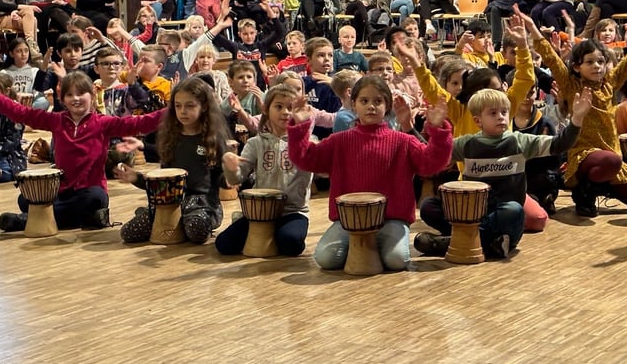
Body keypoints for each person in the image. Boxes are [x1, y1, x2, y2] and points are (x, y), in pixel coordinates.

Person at [520, 8, 627, 217]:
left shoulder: (610, 83)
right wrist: (532, 27)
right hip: (584, 156)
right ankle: (584, 190)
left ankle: (603, 185)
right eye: (590, 62)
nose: (596, 66)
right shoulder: (570, 85)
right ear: (576, 67)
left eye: (600, 62)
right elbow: (550, 57)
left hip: (612, 158)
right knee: (611, 161)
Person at [0, 71, 165, 232]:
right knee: (24, 199)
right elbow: (22, 113)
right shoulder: (56, 120)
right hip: (61, 191)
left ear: (92, 95)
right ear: (62, 99)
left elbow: (140, 123)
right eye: (70, 95)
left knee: (95, 198)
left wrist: (171, 110)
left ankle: (28, 221)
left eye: (81, 94)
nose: (75, 99)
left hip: (89, 191)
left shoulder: (103, 123)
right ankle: (72, 218)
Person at [288, 76, 452, 271]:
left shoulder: (403, 141)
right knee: (326, 259)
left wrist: (438, 130)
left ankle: (371, 249)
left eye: (378, 101)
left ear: (387, 106)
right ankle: (363, 249)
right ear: (354, 104)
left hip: (392, 219)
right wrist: (299, 127)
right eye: (364, 101)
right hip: (347, 220)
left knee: (397, 261)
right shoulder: (339, 141)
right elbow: (305, 158)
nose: (371, 106)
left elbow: (431, 164)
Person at [414, 85, 592, 259]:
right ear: (478, 121)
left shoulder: (519, 142)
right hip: (472, 213)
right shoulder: (467, 144)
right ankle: (488, 243)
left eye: (504, 112)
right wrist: (425, 128)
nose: (500, 117)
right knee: (429, 206)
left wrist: (577, 119)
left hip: (503, 216)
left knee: (514, 210)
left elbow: (559, 144)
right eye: (493, 113)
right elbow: (430, 154)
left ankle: (455, 242)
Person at [117, 77, 229, 243]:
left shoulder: (213, 139)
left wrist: (232, 177)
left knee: (196, 231)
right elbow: (164, 181)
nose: (183, 111)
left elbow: (221, 177)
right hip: (170, 202)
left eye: (190, 106)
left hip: (202, 203)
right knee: (128, 233)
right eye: (178, 106)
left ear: (204, 106)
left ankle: (178, 223)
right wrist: (136, 178)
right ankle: (169, 221)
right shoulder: (171, 137)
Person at [216, 83, 312, 256]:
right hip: (260, 211)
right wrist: (230, 168)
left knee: (291, 245)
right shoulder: (255, 143)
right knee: (224, 245)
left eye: (291, 107)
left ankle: (277, 233)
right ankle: (257, 227)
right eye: (279, 106)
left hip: (293, 211)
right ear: (266, 109)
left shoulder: (306, 143)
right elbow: (237, 179)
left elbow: (316, 169)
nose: (286, 112)